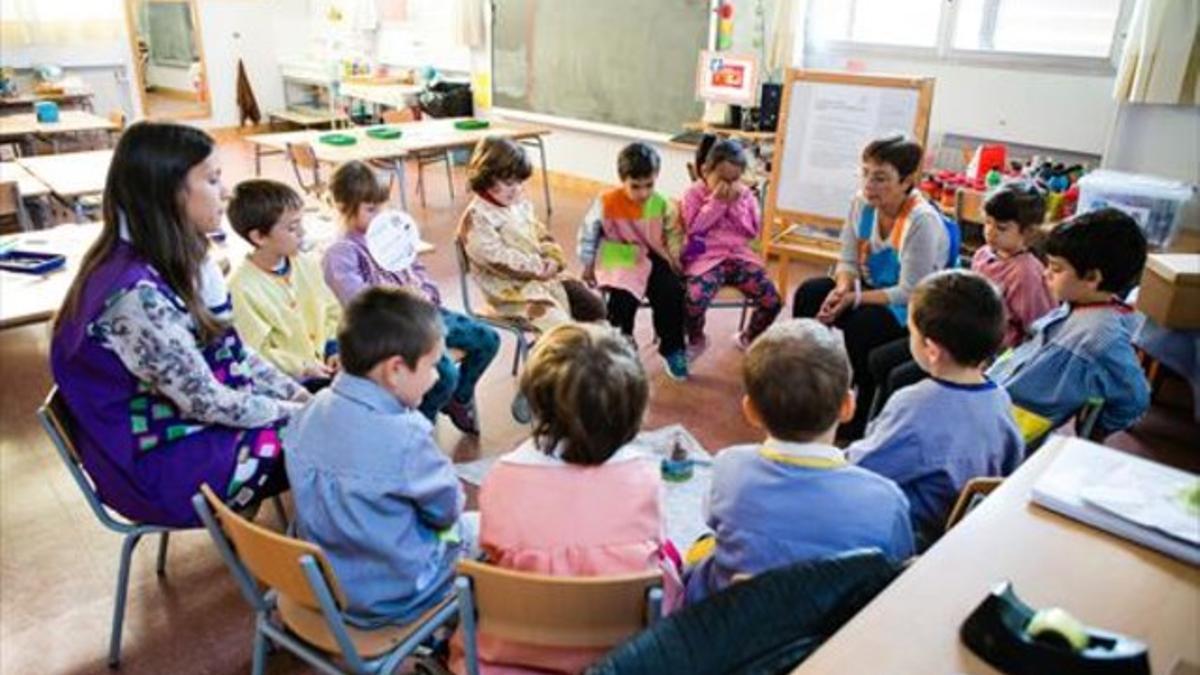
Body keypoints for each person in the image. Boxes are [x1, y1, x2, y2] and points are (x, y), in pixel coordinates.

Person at [50, 122, 306, 527]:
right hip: (161, 464)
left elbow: (234, 352)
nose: (225, 192)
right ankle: (349, 567)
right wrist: (303, 414)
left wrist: (302, 400)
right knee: (341, 437)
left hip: (180, 427)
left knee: (333, 408)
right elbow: (205, 401)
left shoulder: (169, 258)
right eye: (213, 179)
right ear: (170, 192)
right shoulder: (135, 297)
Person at [452, 323, 680, 674]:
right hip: (622, 658)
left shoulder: (504, 476)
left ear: (536, 402)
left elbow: (495, 547)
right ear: (632, 409)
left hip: (509, 660)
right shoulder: (645, 478)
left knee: (468, 537)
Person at [683, 319, 914, 605]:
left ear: (750, 411)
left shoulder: (729, 468)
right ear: (848, 406)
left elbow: (715, 524)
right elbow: (898, 570)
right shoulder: (887, 500)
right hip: (835, 633)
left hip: (736, 625)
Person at [286, 287, 470, 627]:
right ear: (395, 370)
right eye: (431, 366)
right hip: (396, 597)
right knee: (475, 529)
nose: (436, 377)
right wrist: (449, 529)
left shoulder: (308, 411)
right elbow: (446, 508)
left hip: (320, 586)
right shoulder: (406, 438)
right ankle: (455, 637)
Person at [848, 270, 1024, 550]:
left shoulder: (915, 405)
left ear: (931, 349)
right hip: (967, 533)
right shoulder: (1000, 397)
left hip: (911, 538)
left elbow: (861, 471)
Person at [791, 135, 952, 440]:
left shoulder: (922, 221)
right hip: (866, 288)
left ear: (906, 182)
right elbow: (847, 260)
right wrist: (840, 289)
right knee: (810, 294)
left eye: (880, 178)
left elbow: (910, 291)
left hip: (910, 303)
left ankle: (861, 411)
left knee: (864, 325)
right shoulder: (861, 203)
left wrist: (854, 298)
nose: (869, 184)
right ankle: (806, 386)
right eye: (865, 173)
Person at [322, 160, 499, 434]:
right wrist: (399, 297)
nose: (381, 214)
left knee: (488, 339)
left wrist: (426, 292)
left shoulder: (391, 235)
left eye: (384, 206)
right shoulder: (342, 253)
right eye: (371, 209)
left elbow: (418, 270)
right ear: (344, 208)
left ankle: (458, 400)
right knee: (443, 376)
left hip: (423, 315)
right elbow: (358, 304)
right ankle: (418, 429)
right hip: (391, 332)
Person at [866, 181, 1054, 416]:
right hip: (953, 335)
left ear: (1028, 232)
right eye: (988, 223)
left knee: (900, 377)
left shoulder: (1026, 273)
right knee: (879, 360)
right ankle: (871, 426)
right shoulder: (983, 255)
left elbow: (1036, 331)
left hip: (978, 355)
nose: (990, 232)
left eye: (1001, 227)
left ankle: (893, 431)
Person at [988, 208, 1150, 439]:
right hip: (1002, 394)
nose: (1046, 274)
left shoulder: (1100, 337)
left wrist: (1098, 427)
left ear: (1093, 278)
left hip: (1013, 424)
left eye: (1056, 268)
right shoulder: (1078, 303)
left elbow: (1135, 397)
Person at [458, 137, 605, 332]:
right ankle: (554, 358)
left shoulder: (518, 202)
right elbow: (495, 258)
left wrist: (552, 257)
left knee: (594, 307)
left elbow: (541, 232)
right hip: (510, 294)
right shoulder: (477, 218)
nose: (517, 189)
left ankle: (590, 354)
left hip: (541, 279)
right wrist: (539, 267)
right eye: (509, 182)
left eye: (520, 182)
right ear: (486, 177)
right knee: (560, 329)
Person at [578, 142, 688, 379]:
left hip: (650, 255)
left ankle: (673, 348)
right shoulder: (606, 201)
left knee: (671, 292)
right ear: (622, 179)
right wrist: (587, 264)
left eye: (649, 185)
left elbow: (673, 234)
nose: (643, 193)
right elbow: (589, 233)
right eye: (635, 186)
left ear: (656, 177)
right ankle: (621, 348)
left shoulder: (662, 204)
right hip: (618, 255)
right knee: (622, 299)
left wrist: (676, 258)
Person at [226, 179, 341, 390]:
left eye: (301, 224)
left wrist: (333, 348)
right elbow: (256, 352)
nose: (303, 233)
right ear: (259, 237)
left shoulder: (307, 264)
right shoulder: (241, 288)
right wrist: (303, 367)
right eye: (292, 228)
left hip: (327, 368)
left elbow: (332, 312)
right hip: (289, 384)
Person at [680, 138, 781, 357]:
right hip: (704, 257)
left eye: (735, 179)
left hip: (739, 256)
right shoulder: (693, 194)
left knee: (772, 300)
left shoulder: (744, 195)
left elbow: (751, 231)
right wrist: (716, 204)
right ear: (706, 170)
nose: (729, 185)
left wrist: (735, 205)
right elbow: (693, 230)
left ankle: (749, 336)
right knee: (693, 300)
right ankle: (697, 338)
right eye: (723, 179)